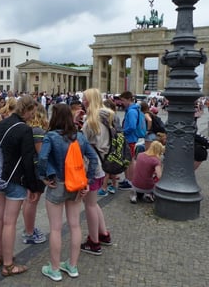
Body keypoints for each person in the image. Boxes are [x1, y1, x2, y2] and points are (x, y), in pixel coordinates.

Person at [38, 103, 98, 281]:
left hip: (57, 184)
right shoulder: (79, 136)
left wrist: (43, 176)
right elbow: (93, 158)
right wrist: (88, 180)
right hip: (76, 185)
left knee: (55, 229)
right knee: (75, 226)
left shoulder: (50, 136)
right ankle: (72, 266)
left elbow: (42, 157)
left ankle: (55, 269)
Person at [0, 95, 40, 277]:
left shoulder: (2, 124)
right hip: (15, 179)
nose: (33, 115)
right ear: (26, 110)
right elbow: (28, 161)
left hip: (0, 176)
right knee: (10, 222)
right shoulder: (24, 130)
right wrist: (33, 187)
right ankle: (8, 264)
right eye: (32, 112)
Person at [80, 88, 112, 255]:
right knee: (94, 203)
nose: (82, 101)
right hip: (101, 163)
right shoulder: (107, 117)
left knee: (90, 205)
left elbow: (82, 144)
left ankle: (94, 241)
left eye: (85, 99)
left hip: (92, 166)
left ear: (90, 100)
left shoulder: (91, 120)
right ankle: (103, 233)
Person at [22, 103, 47, 245]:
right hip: (36, 171)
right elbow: (41, 154)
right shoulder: (38, 131)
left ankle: (28, 228)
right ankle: (29, 232)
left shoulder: (28, 129)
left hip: (28, 169)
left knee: (28, 200)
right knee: (33, 200)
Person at [118, 91, 143, 190]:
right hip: (130, 138)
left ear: (129, 99)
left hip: (130, 139)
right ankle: (128, 179)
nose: (122, 103)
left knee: (130, 160)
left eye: (123, 101)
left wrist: (123, 132)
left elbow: (132, 126)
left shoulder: (132, 111)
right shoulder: (133, 109)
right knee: (129, 160)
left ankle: (130, 181)